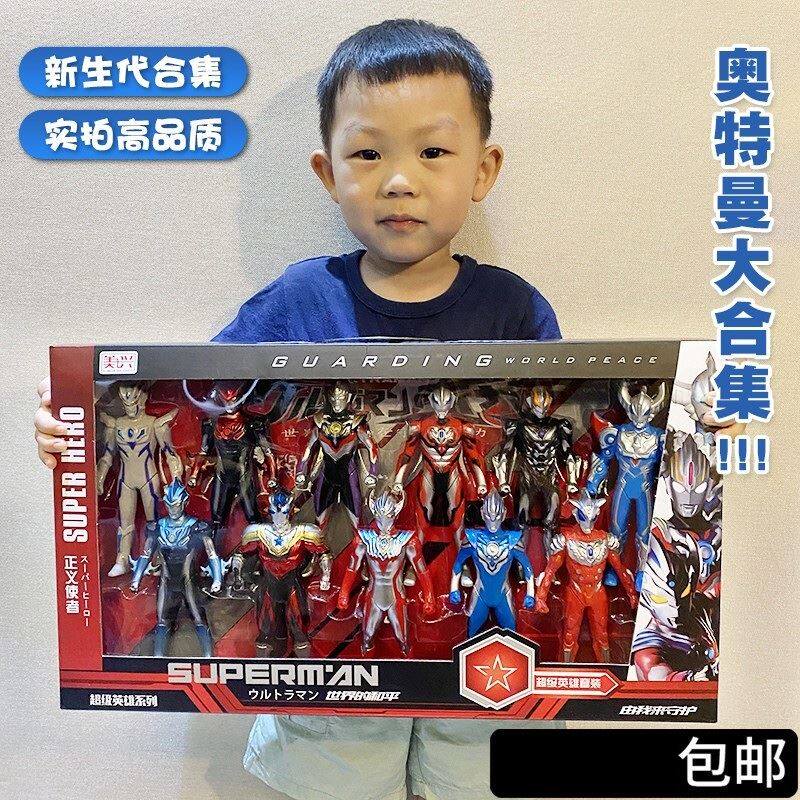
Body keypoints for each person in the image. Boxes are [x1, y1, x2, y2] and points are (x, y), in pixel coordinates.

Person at [33, 18, 740, 800]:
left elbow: (578, 434)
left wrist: (693, 429)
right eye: (368, 154)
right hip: (331, 636)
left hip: (485, 646)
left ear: (483, 169)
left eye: (433, 151)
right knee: (333, 775)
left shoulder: (512, 308)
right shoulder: (300, 300)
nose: (400, 180)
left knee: (480, 771)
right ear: (327, 171)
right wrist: (79, 426)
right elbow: (198, 400)